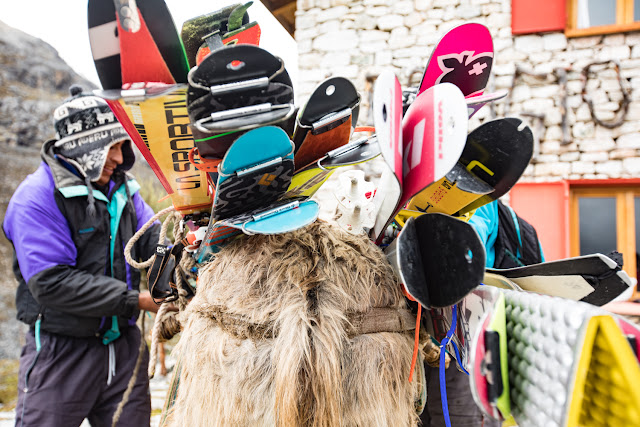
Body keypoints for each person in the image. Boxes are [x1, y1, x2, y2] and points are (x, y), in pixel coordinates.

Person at [3, 86, 162, 426]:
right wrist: (136, 300)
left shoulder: (125, 191)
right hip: (61, 354)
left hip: (124, 352)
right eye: (111, 148)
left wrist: (181, 277)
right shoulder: (36, 198)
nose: (119, 159)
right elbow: (51, 282)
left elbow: (154, 241)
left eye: (122, 147)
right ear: (85, 146)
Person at [420, 200, 544, 427]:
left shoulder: (476, 201)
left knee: (458, 418)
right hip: (436, 342)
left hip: (466, 344)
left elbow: (466, 251)